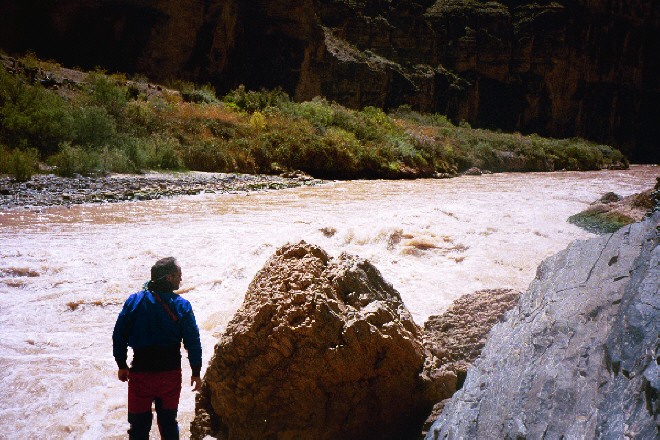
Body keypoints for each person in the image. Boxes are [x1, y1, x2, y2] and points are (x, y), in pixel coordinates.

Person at [113, 257, 202, 439]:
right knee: (168, 423)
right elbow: (192, 341)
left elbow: (119, 335)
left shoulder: (133, 301)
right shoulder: (182, 305)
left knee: (138, 427)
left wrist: (121, 364)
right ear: (169, 277)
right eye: (178, 275)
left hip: (140, 374)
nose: (181, 280)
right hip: (169, 376)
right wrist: (196, 371)